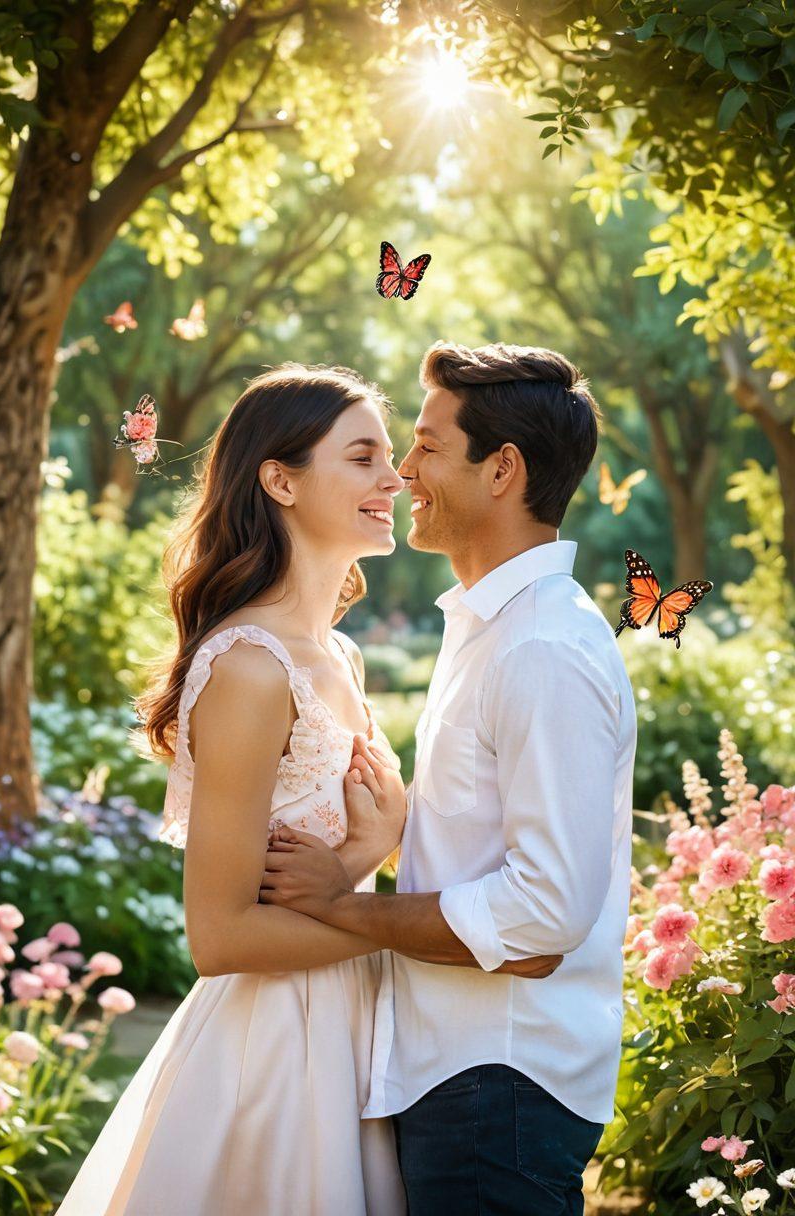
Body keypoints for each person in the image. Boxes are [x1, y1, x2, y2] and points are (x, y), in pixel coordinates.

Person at [56, 361, 559, 1216]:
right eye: (363, 458)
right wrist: (385, 898)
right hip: (276, 1045)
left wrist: (374, 854)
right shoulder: (250, 667)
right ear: (280, 480)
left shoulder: (340, 655)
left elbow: (344, 858)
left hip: (363, 1034)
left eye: (392, 458)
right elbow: (219, 936)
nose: (396, 479)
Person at [262, 341, 638, 1216]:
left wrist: (344, 906)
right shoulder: (490, 627)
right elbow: (486, 853)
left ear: (502, 470)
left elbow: (543, 920)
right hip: (462, 1076)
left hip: (498, 1084)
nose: (403, 471)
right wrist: (393, 832)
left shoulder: (542, 647)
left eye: (428, 446)